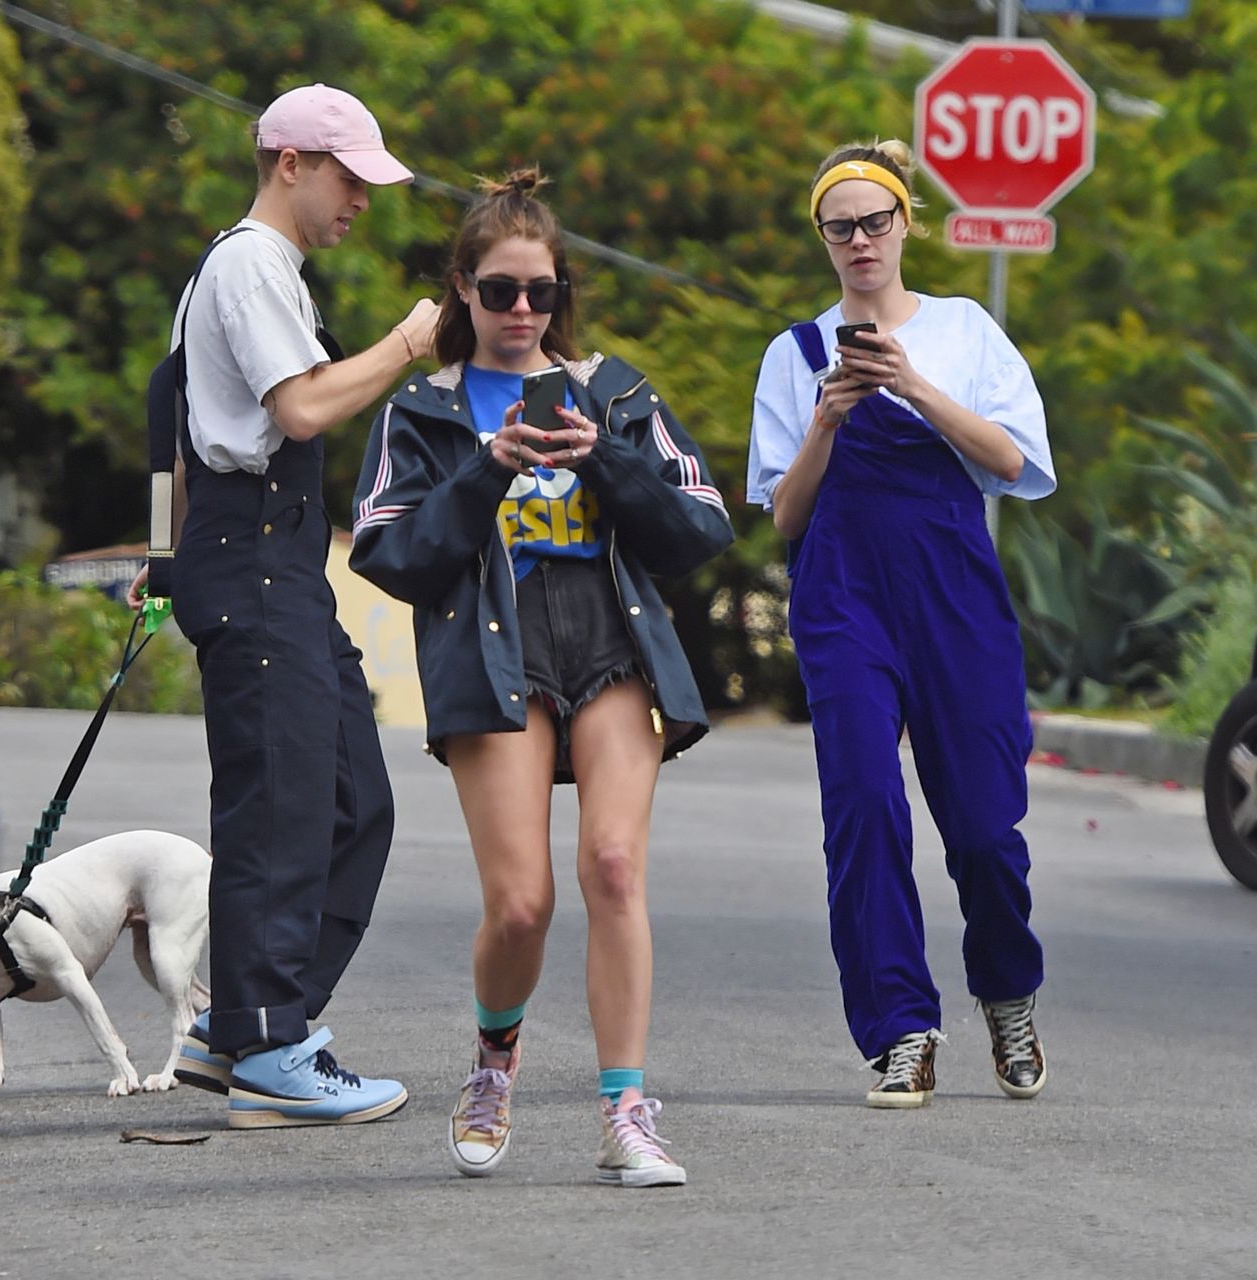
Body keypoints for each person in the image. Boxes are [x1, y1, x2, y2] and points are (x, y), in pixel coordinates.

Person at [349, 170, 732, 1184]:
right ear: (461, 292)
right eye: (500, 290)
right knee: (519, 903)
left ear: (564, 294)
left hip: (611, 642)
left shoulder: (614, 391)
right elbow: (388, 557)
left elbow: (702, 528)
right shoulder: (423, 412)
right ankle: (494, 1054)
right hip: (493, 650)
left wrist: (603, 459)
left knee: (613, 865)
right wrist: (486, 469)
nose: (522, 311)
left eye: (542, 291)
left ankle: (625, 1110)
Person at [128, 84, 440, 1128]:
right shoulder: (251, 263)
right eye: (351, 176)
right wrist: (406, 344)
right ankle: (269, 1039)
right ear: (290, 160)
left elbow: (162, 412)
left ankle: (244, 1029)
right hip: (257, 555)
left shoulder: (244, 269)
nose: (363, 200)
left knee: (353, 801)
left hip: (260, 556)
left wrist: (166, 553)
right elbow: (299, 406)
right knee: (283, 807)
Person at [747, 140, 1056, 1108]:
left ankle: (1006, 990)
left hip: (954, 594)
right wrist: (828, 420)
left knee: (982, 829)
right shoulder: (796, 353)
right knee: (866, 806)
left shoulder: (967, 330)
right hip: (843, 598)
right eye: (839, 227)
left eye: (874, 221)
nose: (859, 241)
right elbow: (783, 515)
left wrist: (915, 385)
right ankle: (901, 1031)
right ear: (822, 239)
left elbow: (1013, 461)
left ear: (905, 223)